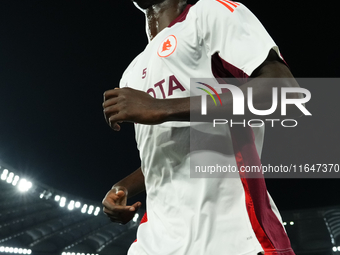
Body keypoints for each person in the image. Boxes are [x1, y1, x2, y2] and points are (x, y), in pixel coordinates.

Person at [102, 0, 300, 254]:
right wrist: (122, 187)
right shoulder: (132, 72)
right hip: (154, 242)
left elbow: (284, 90)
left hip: (230, 238)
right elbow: (171, 150)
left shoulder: (210, 13)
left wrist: (162, 107)